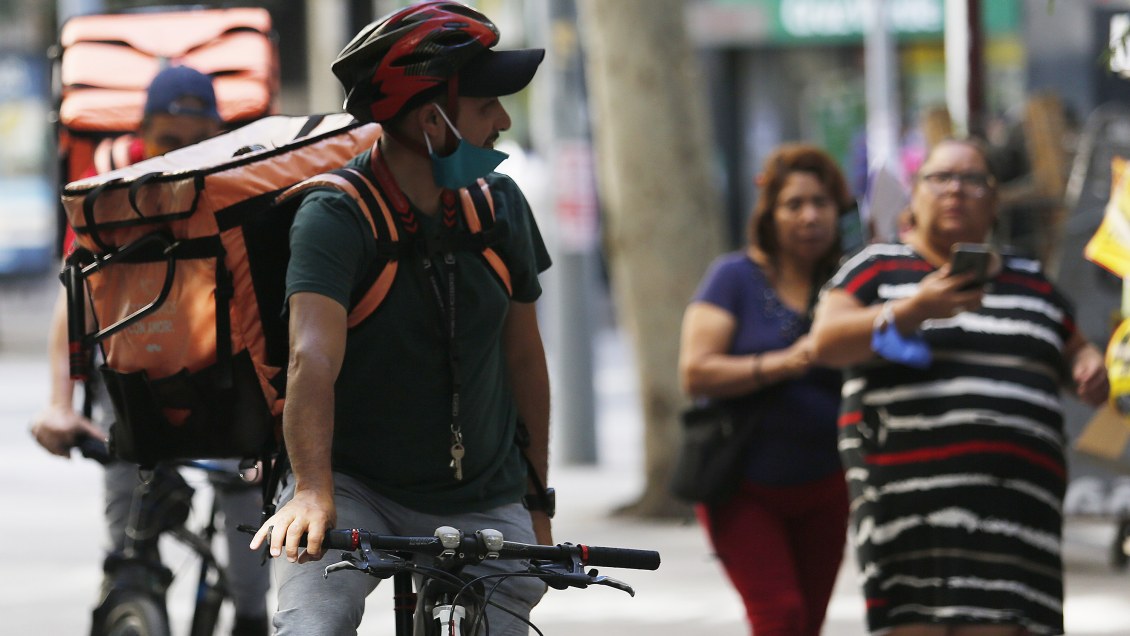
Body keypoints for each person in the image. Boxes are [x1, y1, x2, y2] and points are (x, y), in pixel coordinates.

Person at [248, 2, 552, 634]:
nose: (502, 119)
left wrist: (536, 497)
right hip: (356, 486)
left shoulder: (500, 207)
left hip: (485, 494)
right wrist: (311, 490)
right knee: (312, 624)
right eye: (485, 104)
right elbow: (312, 357)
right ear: (430, 120)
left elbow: (525, 357)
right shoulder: (336, 216)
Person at [810, 137, 1109, 636]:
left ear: (994, 202)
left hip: (1015, 529)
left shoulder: (1031, 281)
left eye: (973, 179)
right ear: (915, 195)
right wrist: (911, 310)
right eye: (940, 177)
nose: (956, 190)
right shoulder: (875, 270)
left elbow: (1073, 348)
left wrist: (1089, 362)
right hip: (909, 528)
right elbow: (824, 343)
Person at [31, 64, 271, 636]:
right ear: (144, 131)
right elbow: (77, 292)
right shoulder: (111, 179)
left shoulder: (235, 178)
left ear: (216, 132)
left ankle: (251, 615)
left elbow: (264, 302)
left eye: (196, 138)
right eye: (168, 139)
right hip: (131, 382)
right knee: (126, 554)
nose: (181, 153)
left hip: (223, 381)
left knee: (251, 580)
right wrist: (60, 404)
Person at [677, 143, 851, 635]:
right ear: (770, 213)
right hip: (743, 486)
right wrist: (786, 362)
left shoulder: (850, 283)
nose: (810, 216)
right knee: (780, 617)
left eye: (821, 203)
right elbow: (695, 371)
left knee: (807, 624)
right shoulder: (733, 277)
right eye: (794, 204)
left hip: (826, 486)